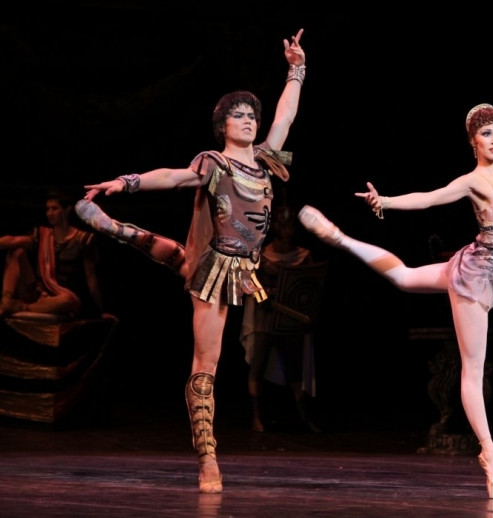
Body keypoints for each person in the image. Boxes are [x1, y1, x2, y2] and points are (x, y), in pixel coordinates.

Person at [75, 28, 306, 494]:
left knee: (178, 258)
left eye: (251, 115)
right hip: (216, 267)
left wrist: (296, 70)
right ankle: (208, 458)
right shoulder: (214, 163)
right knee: (207, 362)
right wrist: (127, 182)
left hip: (244, 267)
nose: (247, 121)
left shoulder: (265, 160)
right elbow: (175, 177)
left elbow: (285, 116)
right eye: (238, 115)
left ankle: (120, 230)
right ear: (222, 125)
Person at [298, 32, 493, 500]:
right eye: (487, 134)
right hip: (475, 278)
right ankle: (489, 450)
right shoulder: (473, 180)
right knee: (472, 368)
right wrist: (385, 201)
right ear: (473, 142)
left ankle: (341, 238)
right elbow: (428, 198)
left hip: (479, 266)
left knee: (403, 277)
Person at [239, 201, 319, 433]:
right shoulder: (261, 254)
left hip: (289, 317)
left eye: (290, 225)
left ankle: (304, 416)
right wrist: (263, 295)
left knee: (294, 367)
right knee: (258, 365)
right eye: (283, 225)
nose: (287, 230)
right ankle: (257, 417)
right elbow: (248, 279)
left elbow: (309, 287)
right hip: (264, 316)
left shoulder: (302, 255)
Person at [0, 189, 108, 319]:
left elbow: (91, 278)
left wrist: (101, 310)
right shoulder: (42, 235)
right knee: (17, 252)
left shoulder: (82, 239)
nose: (49, 213)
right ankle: (6, 302)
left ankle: (21, 307)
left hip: (63, 297)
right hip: (39, 293)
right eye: (48, 209)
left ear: (67, 210)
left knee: (67, 300)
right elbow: (12, 240)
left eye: (54, 209)